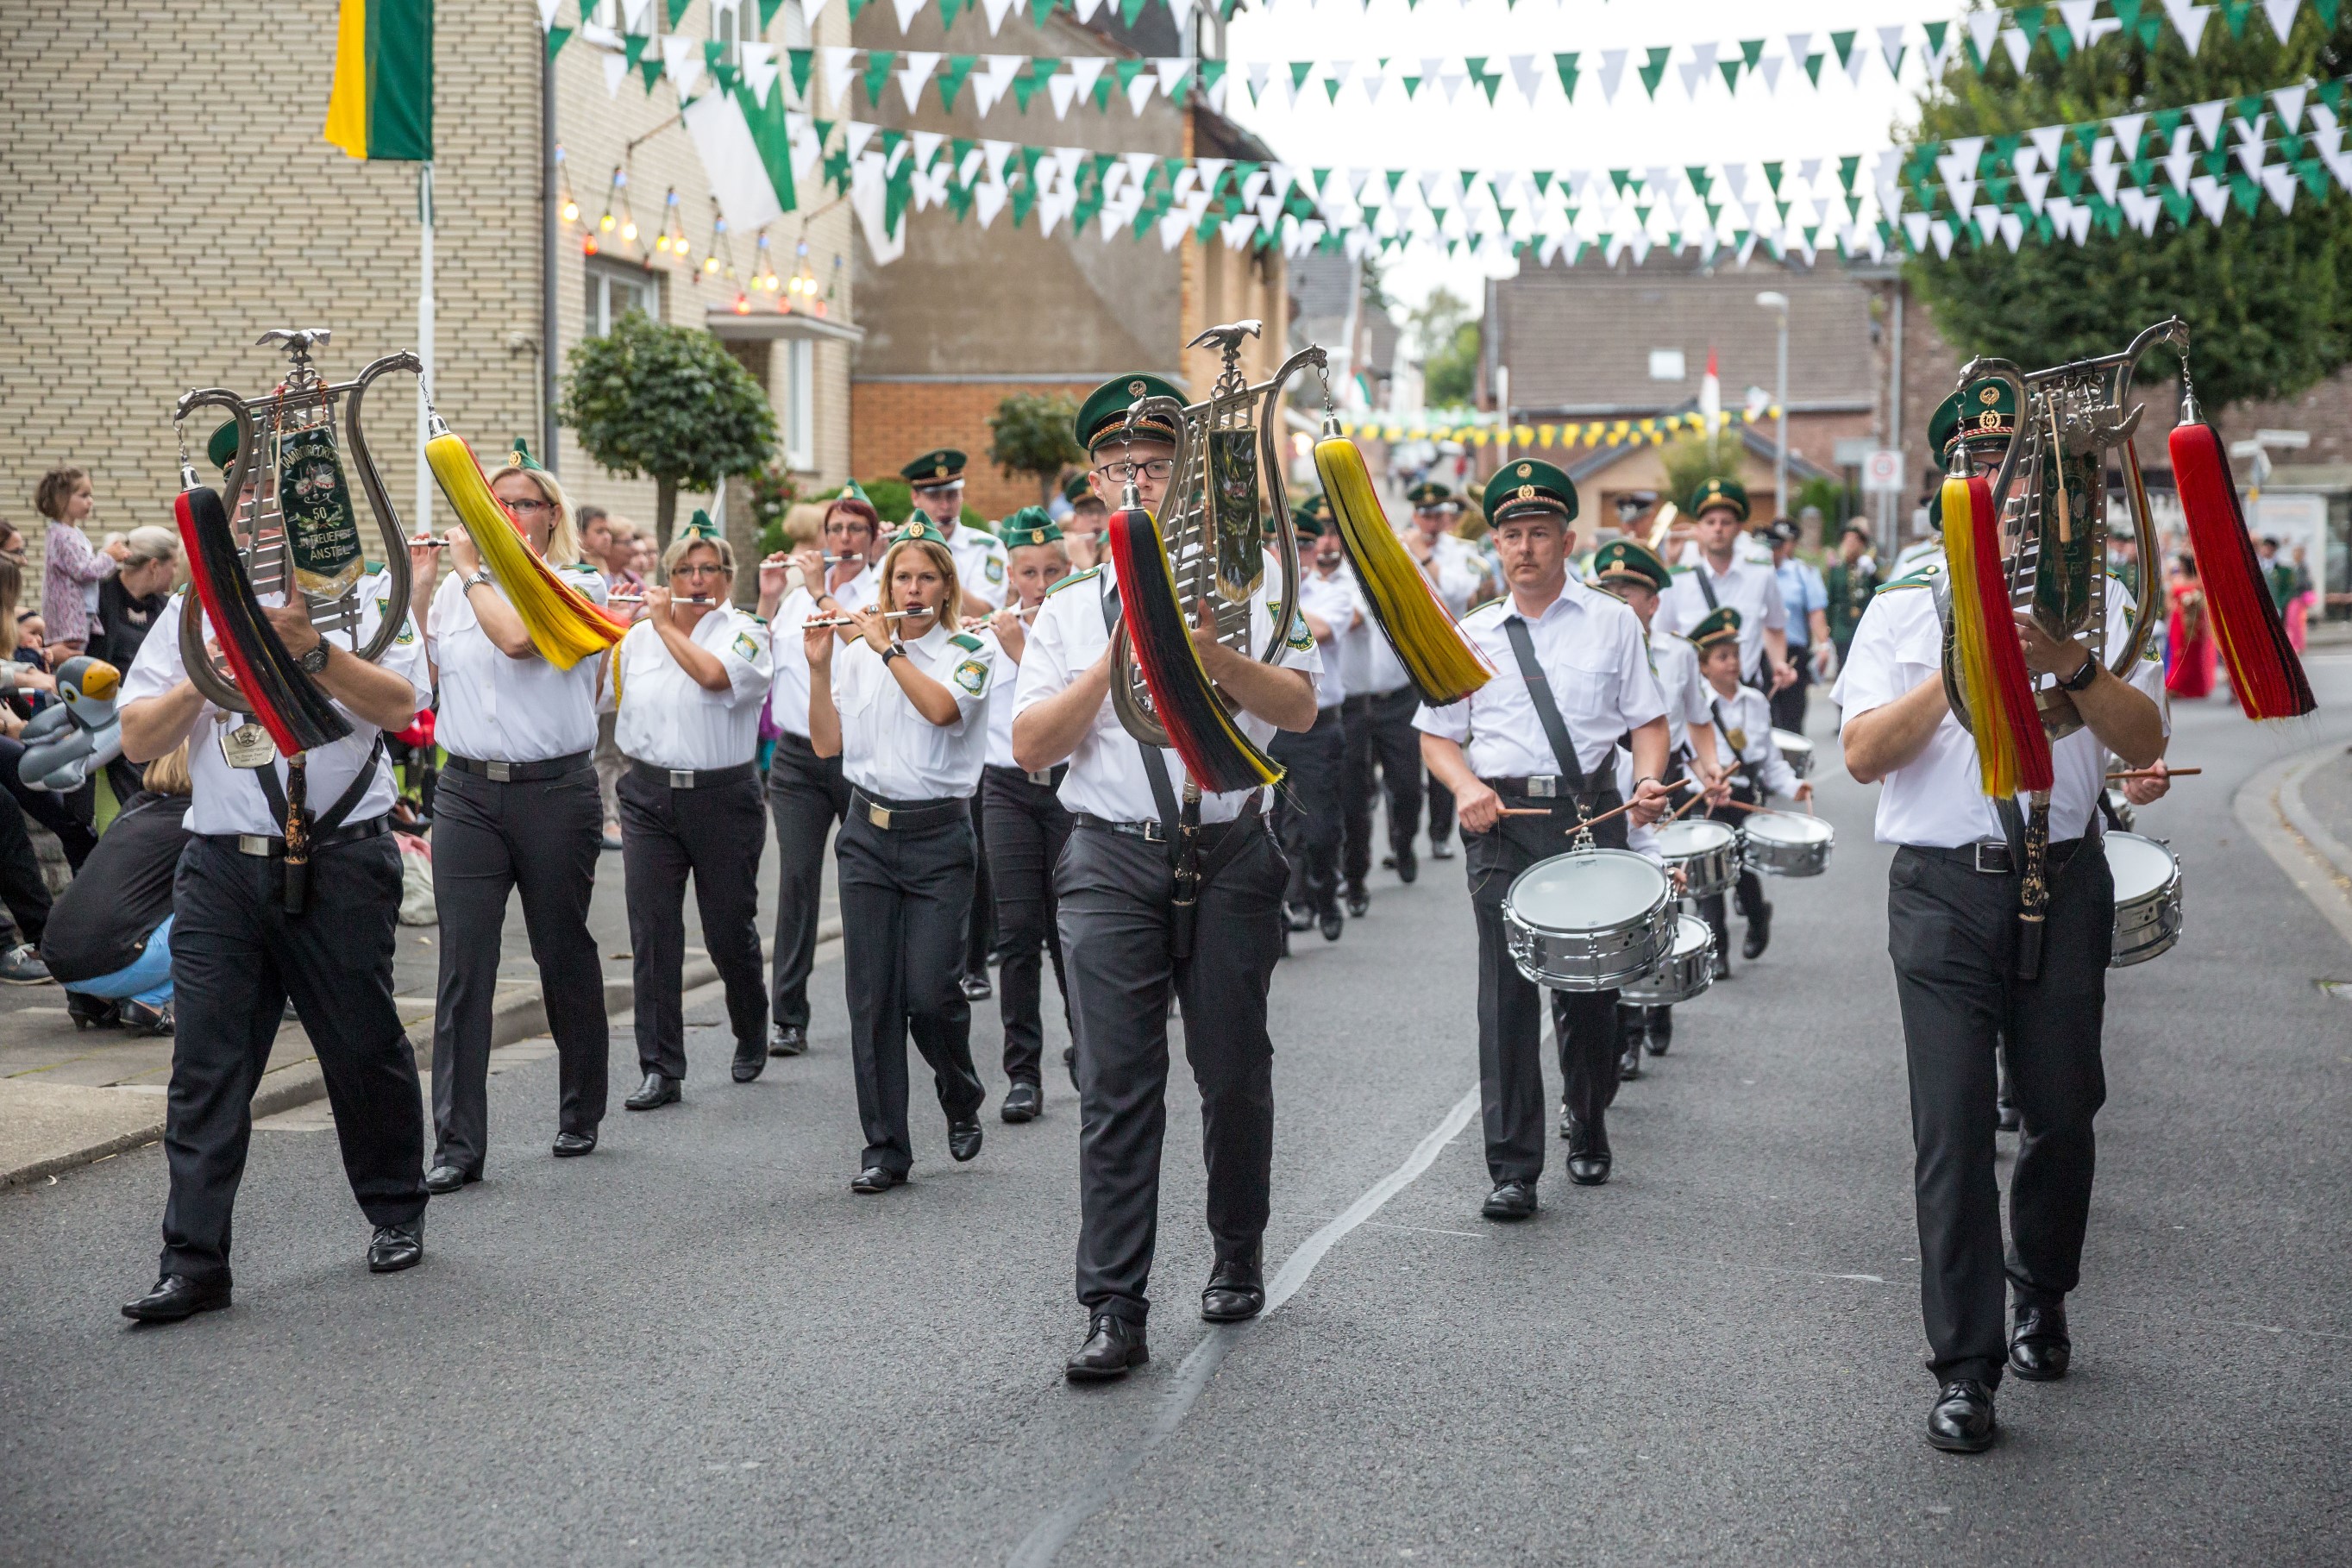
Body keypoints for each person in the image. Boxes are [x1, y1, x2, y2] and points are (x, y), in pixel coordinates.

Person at [1835, 375, 2169, 1454]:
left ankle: (2043, 1291)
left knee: (2063, 1112)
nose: (1997, 484)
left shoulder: (2098, 594)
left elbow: (2144, 736)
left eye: (2012, 464)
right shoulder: (1901, 600)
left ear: (2042, 479)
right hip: (1943, 890)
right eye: (1977, 466)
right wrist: (1958, 663)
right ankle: (1965, 1368)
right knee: (1951, 1129)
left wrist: (2069, 661)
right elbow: (1860, 754)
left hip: (2063, 877)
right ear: (1951, 487)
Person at [1012, 373, 1320, 1380]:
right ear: (1095, 483)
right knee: (1116, 1082)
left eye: (1156, 466)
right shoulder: (1067, 609)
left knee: (1231, 1071)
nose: (1138, 482)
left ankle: (1236, 1252)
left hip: (1228, 850)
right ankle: (1113, 1304)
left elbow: (1301, 708)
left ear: (1188, 478)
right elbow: (1030, 746)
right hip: (1109, 854)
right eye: (1120, 468)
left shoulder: (1253, 586)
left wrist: (1212, 657)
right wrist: (1116, 656)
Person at [116, 494, 435, 1321]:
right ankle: (194, 1263)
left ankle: (396, 1209)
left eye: (273, 501)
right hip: (223, 866)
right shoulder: (193, 609)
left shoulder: (363, 591)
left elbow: (402, 707)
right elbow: (140, 739)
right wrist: (206, 676)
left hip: (342, 859)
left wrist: (310, 650)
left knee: (361, 1046)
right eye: (243, 503)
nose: (259, 520)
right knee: (206, 1068)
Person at [1416, 460, 1672, 1222]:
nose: (1524, 548)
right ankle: (1512, 1168)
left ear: (1566, 541)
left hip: (1589, 816)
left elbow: (1647, 722)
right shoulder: (1469, 634)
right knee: (1504, 992)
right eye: (1511, 535)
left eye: (1538, 533)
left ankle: (1587, 1117)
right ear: (1496, 544)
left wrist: (1648, 780)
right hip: (1500, 822)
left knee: (1588, 989)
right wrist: (1464, 787)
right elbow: (1437, 737)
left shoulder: (1611, 621)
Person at [419, 441, 613, 1189]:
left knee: (559, 948)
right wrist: (424, 586)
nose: (504, 514)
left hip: (554, 791)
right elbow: (425, 677)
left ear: (551, 515)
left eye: (520, 503)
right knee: (464, 964)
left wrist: (470, 572)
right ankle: (456, 1144)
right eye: (492, 503)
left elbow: (519, 640)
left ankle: (580, 1106)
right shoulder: (454, 590)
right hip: (466, 791)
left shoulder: (578, 581)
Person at [806, 519, 995, 1190]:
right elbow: (826, 746)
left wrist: (886, 650)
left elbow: (941, 710)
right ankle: (884, 1148)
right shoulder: (857, 653)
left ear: (946, 588)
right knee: (872, 999)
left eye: (925, 578)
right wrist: (820, 668)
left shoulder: (971, 650)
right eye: (901, 578)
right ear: (886, 586)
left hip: (938, 838)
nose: (911, 590)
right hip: (866, 834)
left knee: (931, 995)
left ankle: (959, 1088)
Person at [608, 518, 773, 1107]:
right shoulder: (637, 638)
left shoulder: (746, 632)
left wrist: (660, 624)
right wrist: (608, 626)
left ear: (727, 578)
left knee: (727, 928)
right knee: (653, 931)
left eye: (709, 570)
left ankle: (750, 1022)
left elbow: (713, 676)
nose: (697, 580)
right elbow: (596, 697)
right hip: (649, 795)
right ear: (668, 576)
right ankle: (660, 1066)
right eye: (685, 570)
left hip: (722, 798)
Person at [1585, 537, 1720, 1072]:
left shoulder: (1679, 653)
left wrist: (1710, 767)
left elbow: (1699, 719)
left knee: (1660, 893)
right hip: (1603, 780)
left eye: (1628, 592)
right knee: (1611, 907)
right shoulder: (1587, 647)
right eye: (1608, 590)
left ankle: (1656, 1001)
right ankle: (1626, 1028)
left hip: (1663, 785)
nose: (1617, 601)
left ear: (1653, 603)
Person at [755, 485, 880, 1058]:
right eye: (836, 530)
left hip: (860, 755)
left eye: (856, 530)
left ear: (872, 540)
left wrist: (816, 591)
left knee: (866, 882)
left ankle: (876, 1009)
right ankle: (788, 1016)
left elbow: (866, 646)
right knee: (797, 879)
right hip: (797, 758)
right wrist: (767, 600)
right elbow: (757, 665)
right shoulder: (791, 600)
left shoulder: (880, 591)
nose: (844, 540)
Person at [976, 508, 1076, 1120]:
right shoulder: (989, 633)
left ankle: (1088, 1048)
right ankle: (1022, 1073)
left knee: (1072, 930)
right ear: (1011, 576)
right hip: (1007, 790)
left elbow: (1079, 704)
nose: (1041, 585)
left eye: (1053, 571)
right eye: (1030, 573)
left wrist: (1024, 649)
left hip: (1068, 788)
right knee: (1016, 933)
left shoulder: (1080, 627)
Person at [900, 449, 1005, 1003]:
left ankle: (973, 960)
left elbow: (993, 607)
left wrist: (942, 578)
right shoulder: (900, 546)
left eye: (952, 494)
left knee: (975, 845)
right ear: (917, 498)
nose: (945, 505)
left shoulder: (984, 547)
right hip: (911, 682)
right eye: (934, 496)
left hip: (963, 678)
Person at [43, 739, 194, 1034]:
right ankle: (148, 1003)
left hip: (58, 957)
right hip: (109, 961)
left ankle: (94, 1000)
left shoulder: (136, 807)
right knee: (216, 913)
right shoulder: (195, 819)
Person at [1691, 607, 1812, 966]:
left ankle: (1759, 917)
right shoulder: (1694, 704)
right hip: (1706, 800)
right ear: (1703, 666)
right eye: (1722, 656)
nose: (1732, 662)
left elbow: (1769, 759)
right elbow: (1686, 757)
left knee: (1743, 871)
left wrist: (1793, 786)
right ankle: (1717, 952)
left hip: (1742, 798)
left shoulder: (1756, 701)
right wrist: (1705, 784)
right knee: (1707, 877)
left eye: (1735, 654)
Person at [1275, 502, 1358, 944]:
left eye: (1303, 547)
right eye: (1281, 546)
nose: (1293, 555)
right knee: (1269, 829)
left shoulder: (1331, 593)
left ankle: (1325, 892)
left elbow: (1320, 631)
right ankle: (1283, 913)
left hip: (1317, 727)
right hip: (1267, 726)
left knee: (1321, 828)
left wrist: (1272, 603)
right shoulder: (1251, 597)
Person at [1400, 481, 1486, 865]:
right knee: (1405, 760)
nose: (1432, 522)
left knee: (1445, 745)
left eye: (1438, 515)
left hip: (1448, 661)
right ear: (1415, 515)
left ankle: (1439, 834)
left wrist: (1424, 558)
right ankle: (1402, 838)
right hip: (1409, 663)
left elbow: (1457, 593)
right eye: (1425, 515)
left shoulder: (1461, 550)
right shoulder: (1398, 546)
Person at [1658, 477, 1793, 696]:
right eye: (1710, 522)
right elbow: (1662, 637)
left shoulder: (1761, 573)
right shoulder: (1679, 579)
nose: (1718, 529)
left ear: (1739, 528)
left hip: (1746, 691)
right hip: (1695, 694)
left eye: (1726, 522)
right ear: (1699, 529)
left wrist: (1779, 663)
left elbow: (1775, 626)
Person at [34, 466, 130, 658]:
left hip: (79, 613)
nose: (90, 501)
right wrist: (109, 556)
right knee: (70, 660)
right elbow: (83, 571)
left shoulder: (71, 533)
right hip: (69, 618)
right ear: (61, 498)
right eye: (84, 495)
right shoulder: (63, 536)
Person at [1766, 517, 1830, 732]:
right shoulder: (1755, 572)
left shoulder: (1802, 572)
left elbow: (1816, 612)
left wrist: (1823, 646)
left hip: (1793, 654)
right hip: (1761, 654)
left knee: (1791, 718)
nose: (1780, 548)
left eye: (1785, 542)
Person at [1824, 521, 1879, 672]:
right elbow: (1831, 600)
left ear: (1861, 544)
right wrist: (1829, 629)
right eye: (1847, 540)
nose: (1850, 545)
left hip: (1864, 625)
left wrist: (1873, 572)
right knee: (1844, 666)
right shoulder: (1837, 570)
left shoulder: (1868, 568)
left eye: (1855, 540)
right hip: (1843, 627)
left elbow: (1881, 590)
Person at [2164, 554, 2215, 699]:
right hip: (2178, 621)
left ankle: (2194, 686)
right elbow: (2168, 602)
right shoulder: (2175, 580)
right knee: (2178, 653)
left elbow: (2206, 600)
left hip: (2196, 622)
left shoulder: (2198, 581)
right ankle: (2176, 684)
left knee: (2194, 655)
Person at [1060, 472, 1106, 573]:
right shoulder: (1062, 562)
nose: (1095, 518)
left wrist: (1086, 565)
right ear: (1075, 520)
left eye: (1103, 510)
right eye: (1087, 512)